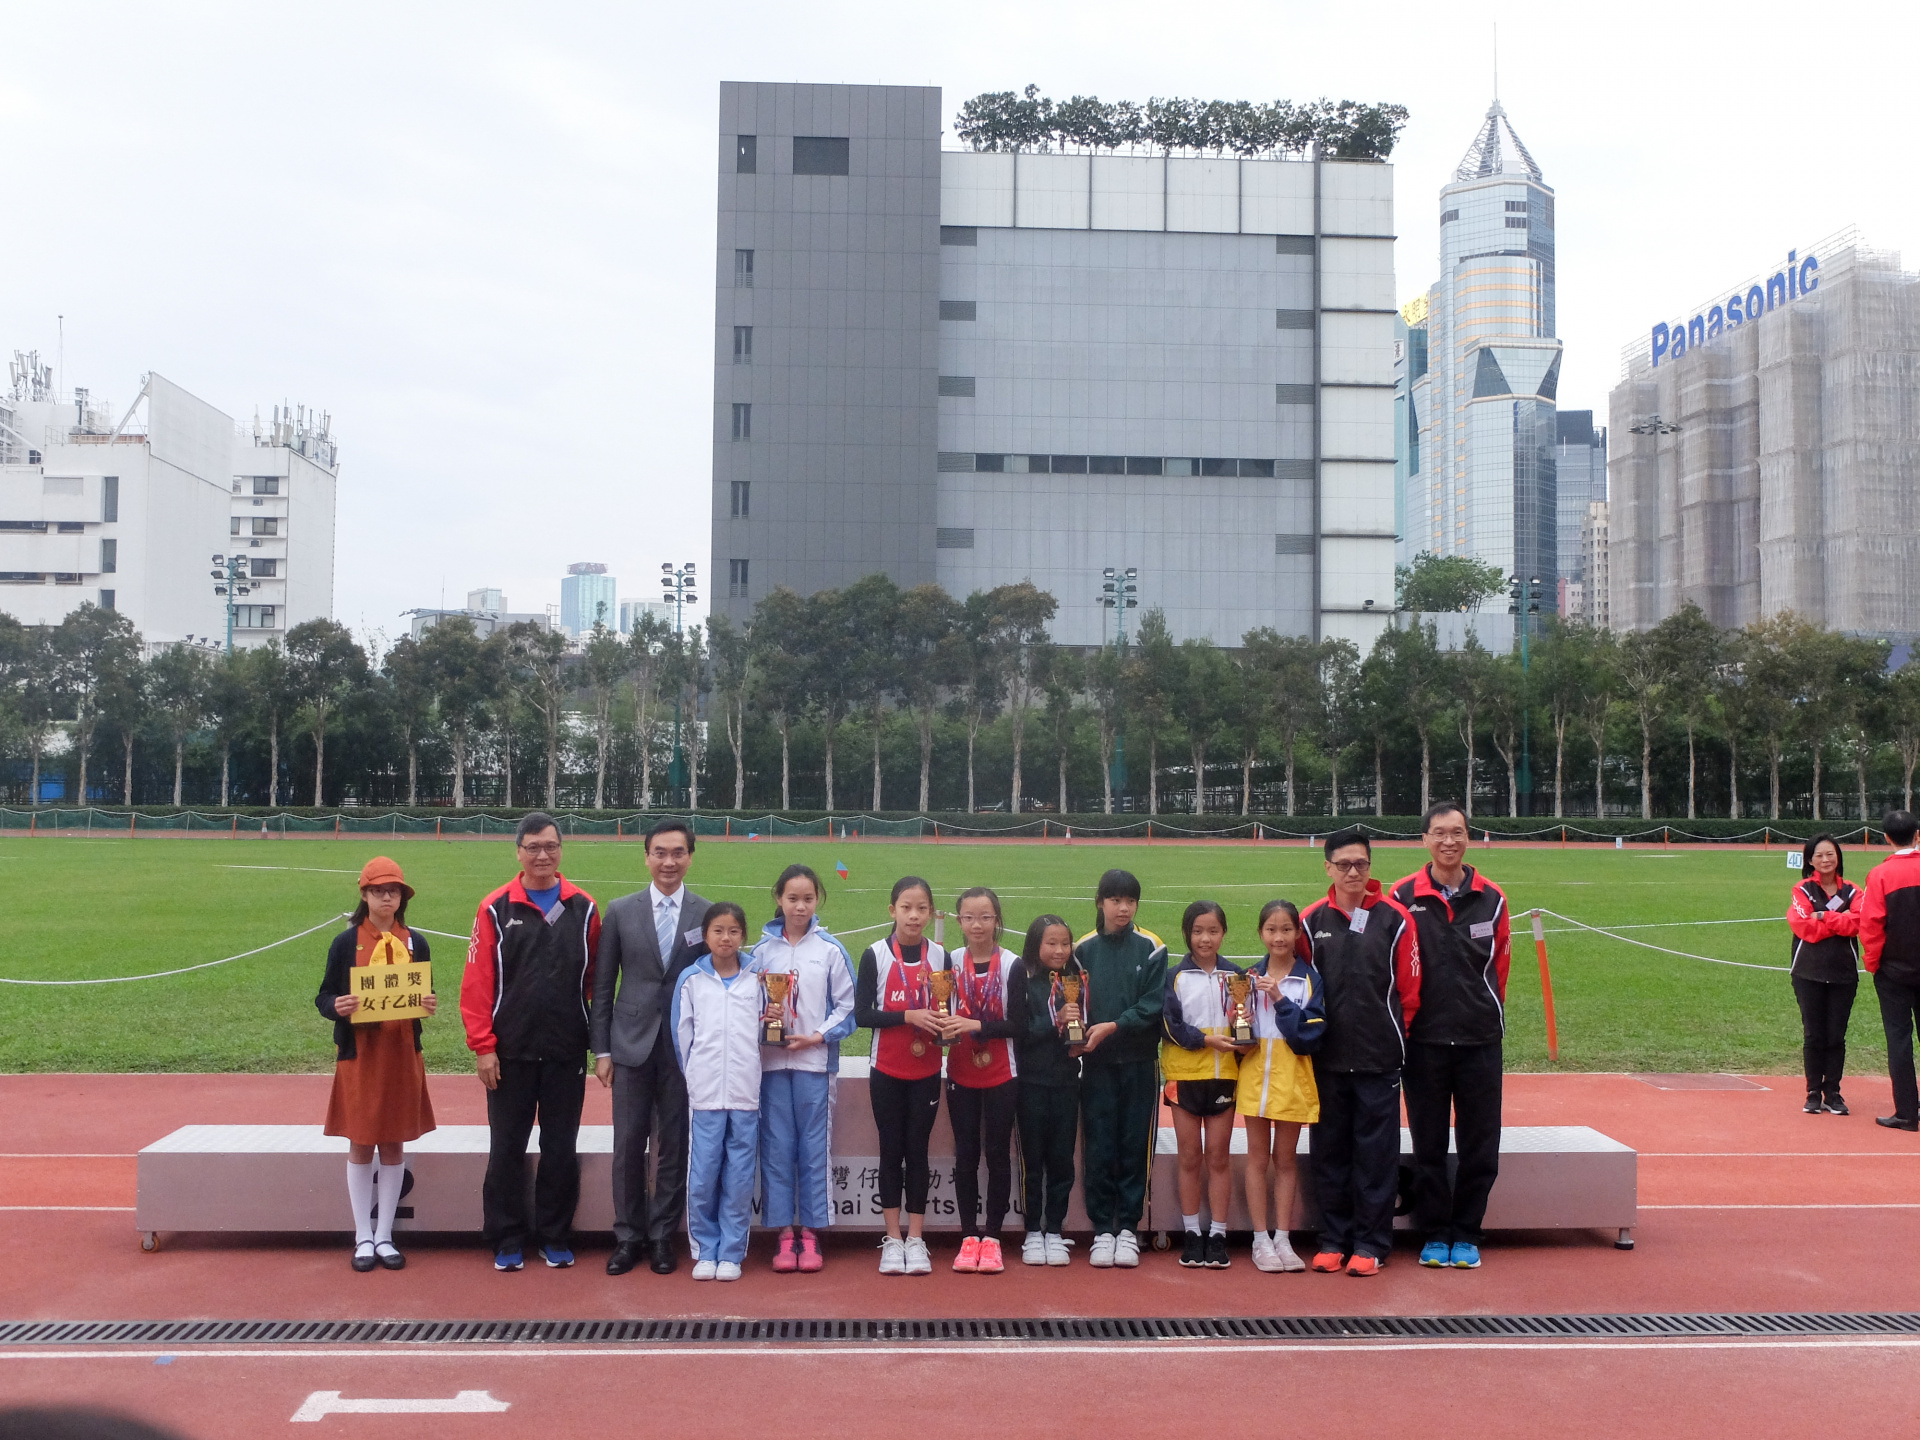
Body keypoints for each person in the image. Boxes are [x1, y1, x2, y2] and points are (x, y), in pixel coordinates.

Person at [460, 812, 600, 1273]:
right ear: (518, 851)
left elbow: (595, 981)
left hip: (565, 1050)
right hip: (510, 1052)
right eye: (533, 847)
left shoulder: (584, 908)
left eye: (551, 846)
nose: (543, 855)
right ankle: (506, 1236)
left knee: (561, 1147)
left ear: (561, 850)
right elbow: (477, 983)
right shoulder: (494, 908)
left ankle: (555, 1235)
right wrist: (483, 1046)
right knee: (506, 1148)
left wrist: (594, 1038)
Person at [1390, 802, 1510, 1270]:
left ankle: (1467, 1233)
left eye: (1457, 832)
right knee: (1429, 1145)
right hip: (1424, 1041)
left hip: (1480, 1039)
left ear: (1468, 837)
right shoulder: (1402, 895)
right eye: (1439, 833)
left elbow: (1499, 967)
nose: (1448, 841)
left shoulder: (1492, 898)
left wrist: (1486, 1013)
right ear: (1424, 839)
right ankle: (1436, 1233)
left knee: (1481, 1143)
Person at [591, 819, 710, 1277]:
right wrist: (602, 1050)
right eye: (660, 852)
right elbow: (604, 986)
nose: (669, 861)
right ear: (646, 857)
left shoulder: (705, 913)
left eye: (678, 853)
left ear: (690, 858)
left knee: (673, 1144)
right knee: (628, 1143)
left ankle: (662, 1235)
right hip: (629, 1043)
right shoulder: (621, 911)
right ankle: (628, 1236)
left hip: (683, 1048)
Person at [1303, 828, 1420, 1278]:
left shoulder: (1396, 919)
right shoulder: (1311, 921)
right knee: (1329, 1152)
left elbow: (1410, 991)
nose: (1353, 872)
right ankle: (1334, 1239)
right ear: (1328, 867)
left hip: (1379, 1057)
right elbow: (1301, 987)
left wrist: (1394, 1040)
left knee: (1376, 1156)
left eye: (1361, 864)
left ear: (1370, 866)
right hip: (1327, 1058)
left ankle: (1372, 1243)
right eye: (1344, 864)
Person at [316, 856, 437, 1272]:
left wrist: (427, 1003)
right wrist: (337, 1005)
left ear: (402, 897)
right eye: (379, 891)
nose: (387, 898)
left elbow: (424, 992)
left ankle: (385, 1235)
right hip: (361, 1054)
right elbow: (323, 996)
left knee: (394, 1142)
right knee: (361, 1141)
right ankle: (362, 1236)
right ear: (364, 895)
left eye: (394, 891)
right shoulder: (345, 943)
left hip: (402, 1053)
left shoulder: (415, 943)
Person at [748, 863, 857, 1274]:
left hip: (814, 1063)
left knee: (813, 1148)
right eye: (792, 898)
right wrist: (764, 1020)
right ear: (779, 899)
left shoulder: (830, 950)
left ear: (817, 900)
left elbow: (848, 1008)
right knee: (776, 1147)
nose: (800, 906)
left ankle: (810, 1232)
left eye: (808, 898)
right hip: (772, 1064)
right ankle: (782, 1232)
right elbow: (746, 1003)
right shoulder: (760, 953)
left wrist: (817, 1036)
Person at [853, 875, 948, 1275]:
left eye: (921, 908)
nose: (914, 915)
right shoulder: (875, 955)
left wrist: (944, 1026)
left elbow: (947, 1008)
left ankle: (917, 1238)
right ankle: (893, 1238)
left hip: (927, 1070)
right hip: (887, 1069)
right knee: (891, 1150)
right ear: (892, 910)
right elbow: (862, 1015)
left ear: (930, 912)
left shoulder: (941, 956)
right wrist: (908, 1016)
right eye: (906, 908)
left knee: (918, 1152)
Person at [1074, 868, 1166, 1269]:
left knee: (1134, 1143)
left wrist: (1114, 1025)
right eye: (1115, 900)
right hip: (1096, 1065)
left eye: (1130, 901)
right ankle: (1102, 1229)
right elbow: (1073, 1003)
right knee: (1098, 1144)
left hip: (1140, 1063)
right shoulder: (1082, 950)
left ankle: (1128, 1227)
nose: (1123, 908)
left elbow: (1152, 1005)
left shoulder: (1152, 947)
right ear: (1100, 902)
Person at [671, 903, 763, 1281]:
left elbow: (768, 1031)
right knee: (704, 1175)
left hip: (745, 1093)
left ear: (743, 936)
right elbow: (682, 1035)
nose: (726, 938)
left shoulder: (759, 978)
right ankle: (705, 1249)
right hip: (706, 1094)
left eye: (734, 931)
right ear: (705, 936)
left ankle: (731, 1252)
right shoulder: (691, 980)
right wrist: (695, 1077)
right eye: (718, 931)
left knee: (739, 1177)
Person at [1238, 899, 1324, 1274]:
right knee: (1257, 1159)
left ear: (1297, 933)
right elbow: (1239, 1034)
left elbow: (1307, 1037)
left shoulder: (1309, 979)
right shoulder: (1247, 979)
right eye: (1271, 930)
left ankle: (1283, 1238)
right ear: (1261, 933)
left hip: (1293, 1077)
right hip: (1256, 1077)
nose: (1279, 937)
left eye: (1286, 929)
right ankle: (1260, 1239)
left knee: (1285, 1160)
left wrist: (1278, 997)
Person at [1160, 899, 1246, 1269]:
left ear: (1223, 933)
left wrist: (1244, 1036)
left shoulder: (1237, 977)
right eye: (1197, 931)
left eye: (1212, 931)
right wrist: (1205, 1040)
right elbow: (1168, 1024)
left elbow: (1247, 1024)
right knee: (1190, 1156)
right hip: (1184, 1077)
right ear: (1187, 934)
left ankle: (1219, 1234)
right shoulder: (1173, 976)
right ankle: (1192, 1232)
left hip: (1224, 1076)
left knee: (1218, 1156)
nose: (1205, 938)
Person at [942, 886, 1022, 1275]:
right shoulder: (949, 961)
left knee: (997, 1154)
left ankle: (992, 1237)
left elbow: (1020, 1024)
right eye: (969, 917)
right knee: (966, 1155)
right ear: (959, 920)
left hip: (1002, 1072)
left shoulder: (1012, 964)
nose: (977, 925)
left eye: (985, 917)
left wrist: (977, 1025)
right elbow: (940, 1007)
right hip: (960, 1070)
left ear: (997, 920)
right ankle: (968, 1235)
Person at [1007, 913, 1083, 1266]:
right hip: (1031, 1084)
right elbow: (1019, 1031)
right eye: (1051, 943)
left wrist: (1082, 1033)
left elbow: (1084, 1024)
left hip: (1067, 1083)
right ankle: (1032, 1231)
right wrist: (1055, 1022)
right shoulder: (1024, 981)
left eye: (1065, 943)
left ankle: (1054, 1229)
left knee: (1062, 1160)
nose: (1059, 950)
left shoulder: (1076, 981)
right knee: (1032, 1161)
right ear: (1035, 945)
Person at [1788, 833, 1862, 1116]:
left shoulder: (1853, 891)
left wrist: (1823, 916)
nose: (1826, 859)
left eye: (1830, 854)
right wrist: (1839, 921)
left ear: (1838, 857)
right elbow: (1803, 927)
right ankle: (1813, 1092)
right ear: (1810, 860)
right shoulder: (1802, 890)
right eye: (1819, 855)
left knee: (1836, 1036)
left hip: (1844, 973)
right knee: (1814, 1035)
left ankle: (1833, 1092)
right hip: (1808, 971)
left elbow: (1858, 923)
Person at [1862, 810, 1920, 1131]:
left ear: (1885, 838)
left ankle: (1907, 1112)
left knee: (1899, 1040)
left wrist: (1874, 964)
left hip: (1893, 971)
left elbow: (1871, 925)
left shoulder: (1880, 875)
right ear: (1917, 834)